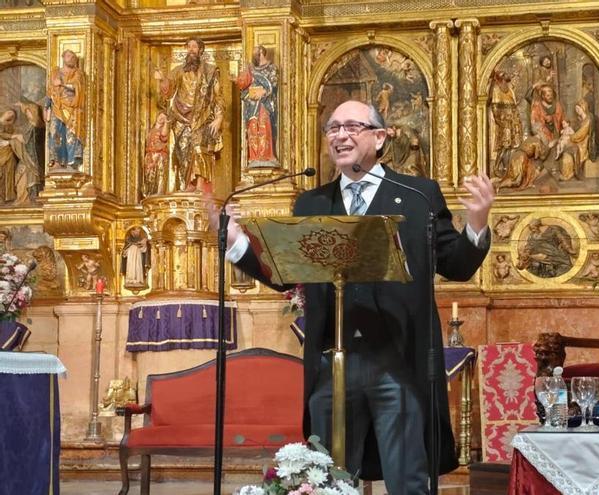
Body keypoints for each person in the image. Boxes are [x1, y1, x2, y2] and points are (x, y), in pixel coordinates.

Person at [215, 100, 494, 494]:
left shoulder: (417, 195)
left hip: (398, 362)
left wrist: (477, 223)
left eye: (351, 126)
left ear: (379, 138)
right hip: (331, 363)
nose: (340, 136)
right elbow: (286, 272)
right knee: (326, 478)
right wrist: (236, 242)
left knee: (407, 478)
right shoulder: (312, 203)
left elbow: (456, 265)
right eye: (333, 128)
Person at [154, 37, 224, 192]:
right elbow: (168, 91)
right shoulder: (178, 70)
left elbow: (218, 96)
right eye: (189, 47)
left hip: (202, 116)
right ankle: (188, 184)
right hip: (181, 117)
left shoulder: (210, 71)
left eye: (194, 47)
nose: (191, 49)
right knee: (183, 151)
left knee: (199, 148)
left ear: (200, 50)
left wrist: (219, 117)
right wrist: (162, 80)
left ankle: (199, 185)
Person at [237, 45, 279, 168]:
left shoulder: (271, 68)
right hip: (251, 105)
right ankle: (254, 157)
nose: (252, 54)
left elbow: (273, 84)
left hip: (264, 104)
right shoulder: (250, 69)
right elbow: (243, 85)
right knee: (253, 128)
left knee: (264, 127)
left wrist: (264, 92)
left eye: (255, 52)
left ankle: (266, 156)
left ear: (261, 52)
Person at [46, 50, 86, 170]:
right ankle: (56, 160)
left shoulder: (77, 73)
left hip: (72, 107)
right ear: (63, 57)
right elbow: (50, 90)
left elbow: (77, 87)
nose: (72, 58)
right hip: (56, 106)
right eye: (69, 56)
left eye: (74, 57)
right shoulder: (55, 73)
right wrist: (47, 107)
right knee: (55, 132)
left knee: (71, 133)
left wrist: (62, 84)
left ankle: (72, 161)